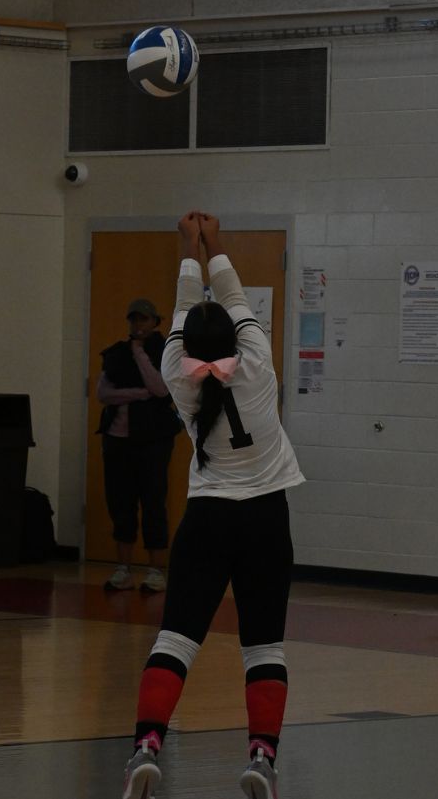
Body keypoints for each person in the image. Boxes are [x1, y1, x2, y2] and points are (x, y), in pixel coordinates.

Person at [121, 211, 304, 799]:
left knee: (175, 640)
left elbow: (183, 304)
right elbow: (230, 289)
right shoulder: (256, 365)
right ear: (233, 338)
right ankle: (261, 760)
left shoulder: (179, 376)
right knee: (264, 647)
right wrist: (213, 241)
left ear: (188, 347)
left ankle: (147, 745)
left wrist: (185, 245)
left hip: (208, 520)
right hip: (265, 520)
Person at [97, 297, 181, 592]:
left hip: (153, 441)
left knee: (153, 501)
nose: (137, 325)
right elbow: (104, 393)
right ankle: (123, 569)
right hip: (117, 440)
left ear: (155, 322)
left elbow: (160, 390)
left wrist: (140, 355)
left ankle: (156, 570)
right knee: (120, 502)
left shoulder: (165, 352)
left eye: (143, 319)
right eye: (133, 319)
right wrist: (137, 393)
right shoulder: (116, 353)